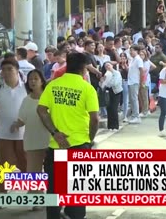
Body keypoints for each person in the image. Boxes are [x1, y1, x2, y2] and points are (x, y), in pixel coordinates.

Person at [37, 52, 99, 219]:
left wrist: (55, 133)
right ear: (84, 68)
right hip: (79, 144)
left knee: (53, 191)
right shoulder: (87, 88)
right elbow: (95, 119)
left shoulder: (53, 85)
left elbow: (41, 110)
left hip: (55, 146)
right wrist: (90, 139)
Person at [0, 59, 27, 209]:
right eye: (4, 70)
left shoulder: (27, 89)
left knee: (28, 165)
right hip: (3, 134)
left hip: (25, 135)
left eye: (10, 69)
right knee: (4, 166)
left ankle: (35, 193)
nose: (6, 72)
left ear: (17, 70)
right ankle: (2, 194)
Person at [16, 70, 49, 202]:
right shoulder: (26, 100)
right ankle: (36, 199)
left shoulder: (49, 98)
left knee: (52, 171)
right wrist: (15, 125)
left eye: (36, 78)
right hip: (32, 140)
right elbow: (22, 119)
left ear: (42, 81)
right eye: (30, 79)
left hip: (49, 140)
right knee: (33, 172)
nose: (33, 81)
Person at [100, 61, 123, 131]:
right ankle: (110, 126)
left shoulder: (117, 73)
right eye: (106, 66)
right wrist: (103, 81)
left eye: (108, 65)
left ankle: (115, 126)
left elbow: (115, 83)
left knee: (114, 109)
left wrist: (106, 83)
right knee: (109, 109)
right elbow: (102, 84)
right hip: (108, 92)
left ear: (112, 65)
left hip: (116, 92)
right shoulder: (106, 74)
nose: (108, 67)